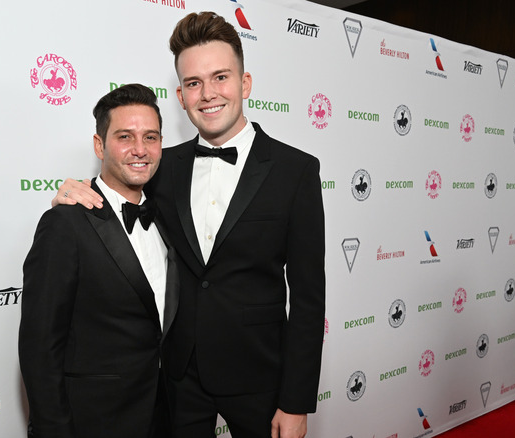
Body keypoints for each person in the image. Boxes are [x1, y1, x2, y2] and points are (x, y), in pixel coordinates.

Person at [53, 12, 325, 438]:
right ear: (180, 96)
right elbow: (119, 189)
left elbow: (309, 300)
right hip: (178, 379)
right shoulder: (163, 166)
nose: (208, 94)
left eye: (220, 77)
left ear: (245, 83)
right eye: (194, 83)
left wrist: (295, 401)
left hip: (261, 379)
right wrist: (74, 193)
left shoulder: (296, 171)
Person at [19, 83, 178, 438]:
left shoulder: (168, 216)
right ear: (99, 145)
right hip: (95, 422)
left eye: (151, 137)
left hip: (165, 417)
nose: (140, 150)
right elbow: (39, 348)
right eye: (125, 136)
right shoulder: (65, 223)